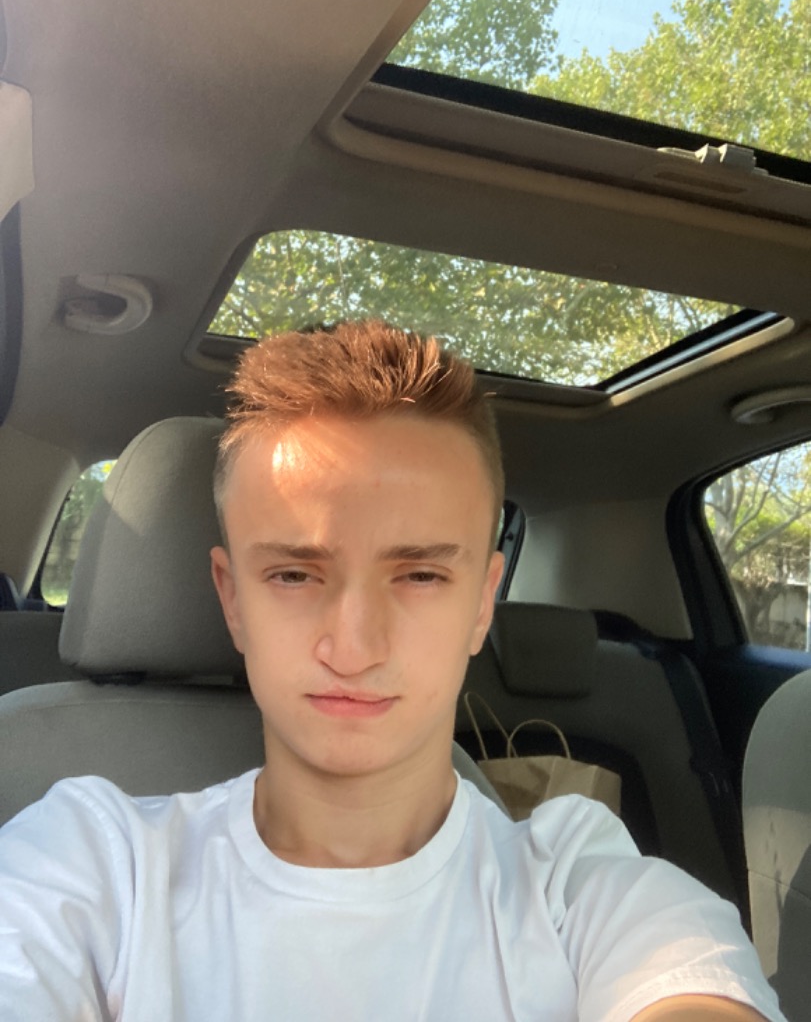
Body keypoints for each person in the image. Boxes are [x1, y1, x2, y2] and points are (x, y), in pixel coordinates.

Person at [0, 321, 786, 1021]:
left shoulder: (580, 883)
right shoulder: (91, 858)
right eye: (294, 575)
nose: (353, 647)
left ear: (481, 603)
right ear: (231, 599)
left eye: (419, 575)